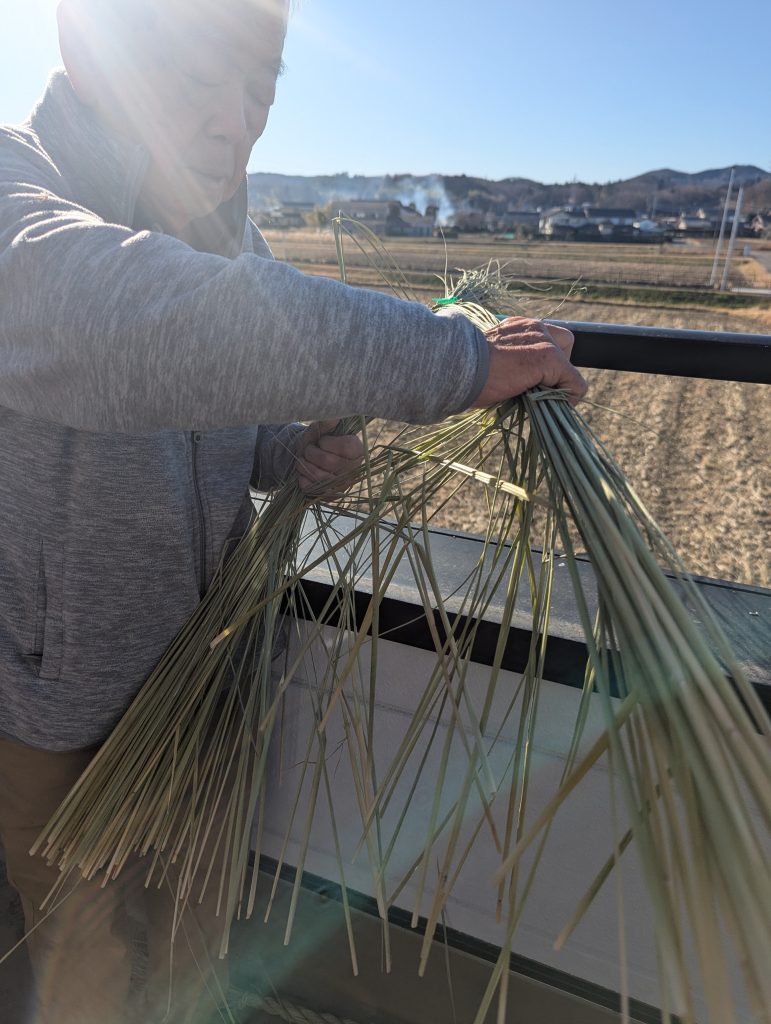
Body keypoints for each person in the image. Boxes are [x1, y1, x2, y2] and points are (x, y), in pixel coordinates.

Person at [0, 0, 587, 1021]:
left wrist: (290, 449)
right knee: (80, 954)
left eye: (261, 88)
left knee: (192, 935)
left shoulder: (238, 238)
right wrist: (453, 358)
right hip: (62, 700)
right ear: (91, 49)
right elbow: (123, 325)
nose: (236, 121)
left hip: (210, 677)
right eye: (200, 78)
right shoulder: (22, 189)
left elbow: (234, 414)